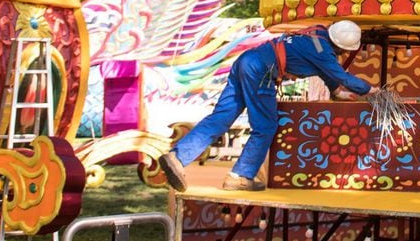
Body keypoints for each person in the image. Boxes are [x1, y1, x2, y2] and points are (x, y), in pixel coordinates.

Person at [158, 20, 375, 192]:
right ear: (339, 46)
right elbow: (340, 75)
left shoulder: (316, 34)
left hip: (246, 61)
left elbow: (323, 70)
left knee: (222, 117)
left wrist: (335, 91)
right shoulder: (323, 52)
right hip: (261, 72)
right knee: (266, 126)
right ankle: (241, 176)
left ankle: (178, 157)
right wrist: (370, 90)